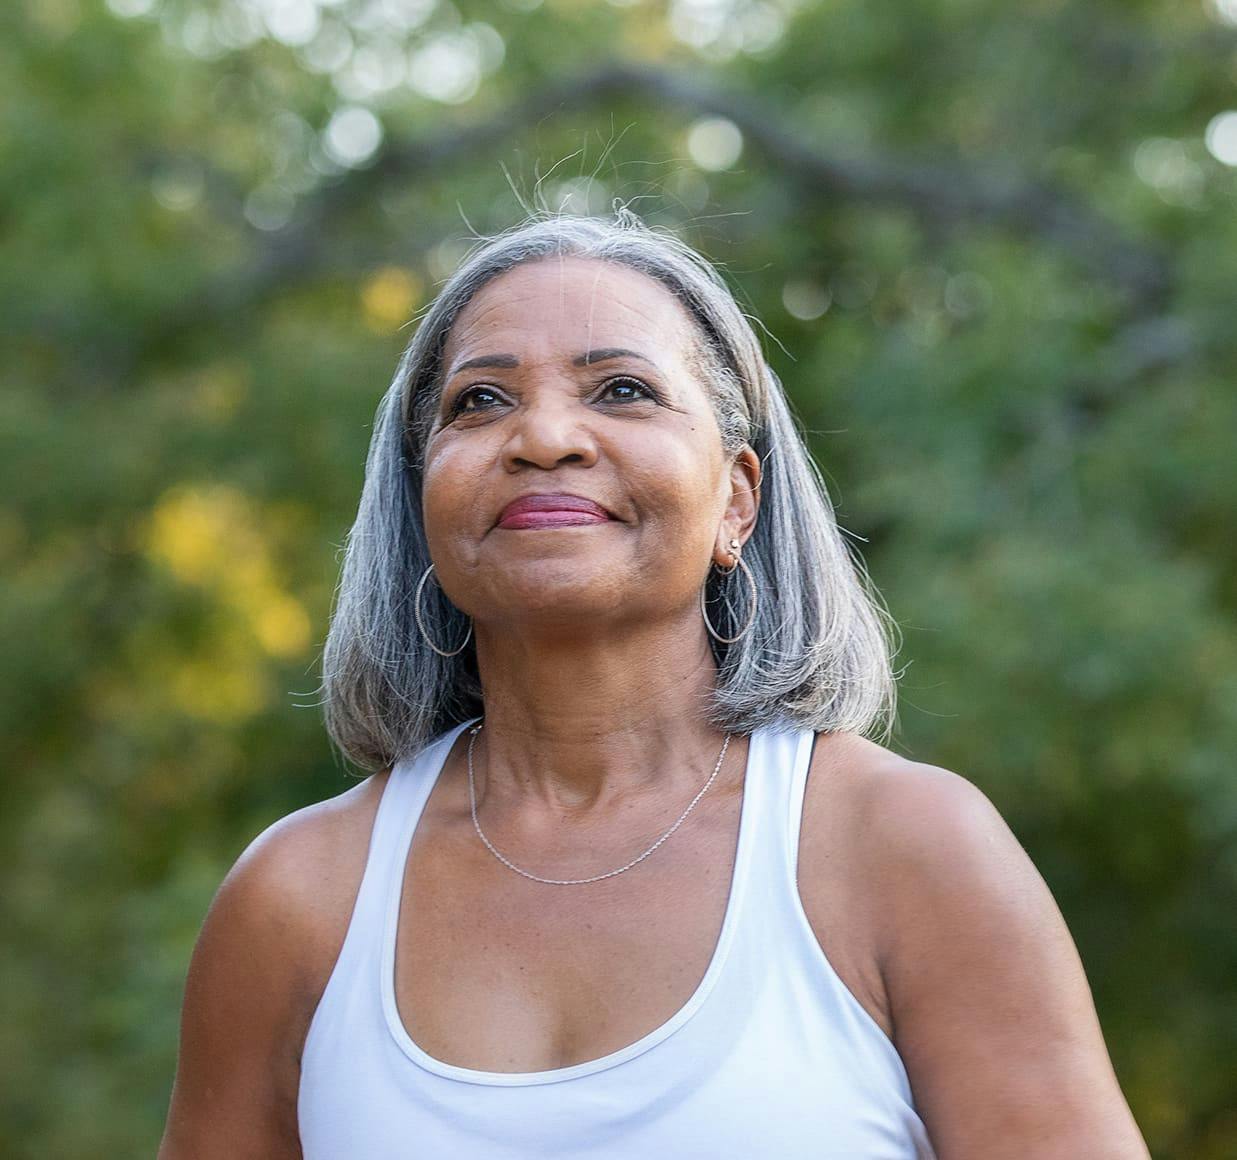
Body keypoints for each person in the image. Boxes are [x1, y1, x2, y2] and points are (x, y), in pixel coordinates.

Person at [158, 211, 1151, 1158]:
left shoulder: (902, 847)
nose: (543, 436)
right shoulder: (297, 896)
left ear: (736, 498)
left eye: (622, 389)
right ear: (420, 503)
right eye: (480, 399)